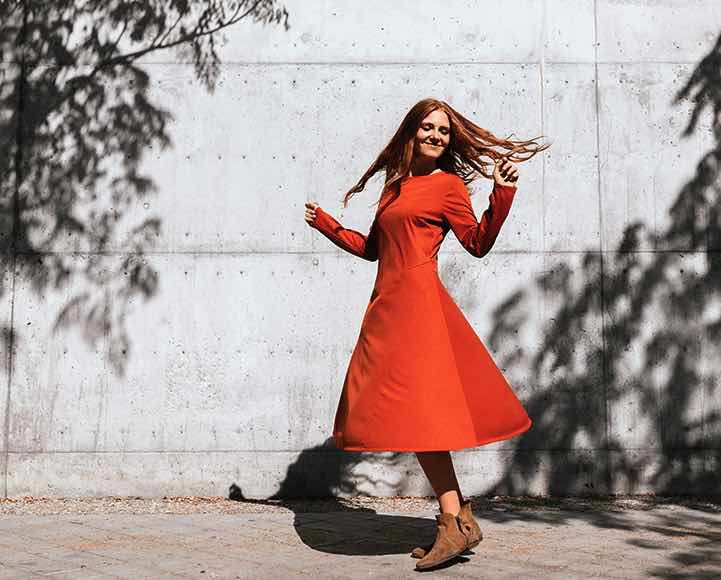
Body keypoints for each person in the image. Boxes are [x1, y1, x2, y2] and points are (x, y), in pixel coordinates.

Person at [304, 98, 549, 571]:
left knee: (421, 416)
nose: (436, 136)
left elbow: (477, 244)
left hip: (420, 308)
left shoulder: (449, 187)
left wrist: (502, 194)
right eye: (427, 128)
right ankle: (458, 521)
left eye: (443, 131)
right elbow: (373, 249)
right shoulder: (395, 188)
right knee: (410, 416)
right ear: (411, 133)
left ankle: (452, 521)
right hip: (387, 308)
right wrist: (329, 226)